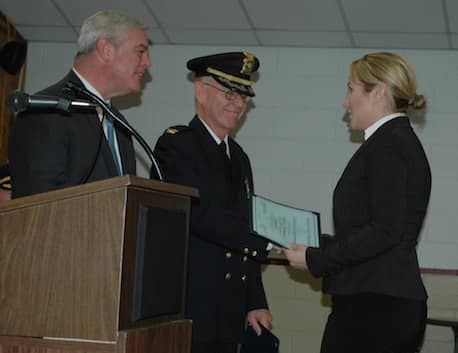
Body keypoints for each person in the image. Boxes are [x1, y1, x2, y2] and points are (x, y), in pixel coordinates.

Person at [283, 52, 431, 353]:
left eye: (351, 89)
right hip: (379, 301)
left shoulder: (389, 144)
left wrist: (316, 259)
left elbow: (385, 231)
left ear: (377, 92)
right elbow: (373, 230)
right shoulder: (393, 141)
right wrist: (316, 245)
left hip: (376, 307)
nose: (345, 101)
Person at [154, 52, 273, 353]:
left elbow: (247, 225)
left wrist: (255, 302)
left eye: (244, 96)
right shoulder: (177, 144)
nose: (238, 103)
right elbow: (200, 214)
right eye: (230, 93)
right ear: (200, 90)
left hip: (230, 310)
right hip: (191, 304)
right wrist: (269, 244)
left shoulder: (240, 157)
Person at [8, 10, 151, 198]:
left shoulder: (118, 122)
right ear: (106, 49)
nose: (147, 63)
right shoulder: (45, 111)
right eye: (140, 51)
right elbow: (37, 207)